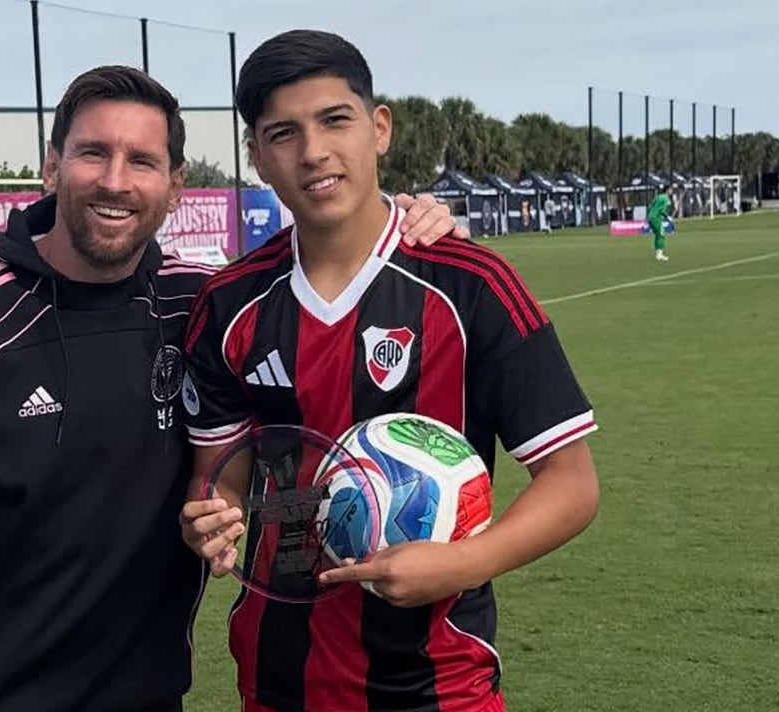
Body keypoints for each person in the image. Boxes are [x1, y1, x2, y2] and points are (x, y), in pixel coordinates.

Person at [0, 64, 467, 712]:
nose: (114, 181)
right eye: (92, 153)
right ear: (52, 166)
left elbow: (321, 262)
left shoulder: (203, 305)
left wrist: (405, 221)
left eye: (142, 161)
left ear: (175, 186)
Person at [179, 30, 600, 712]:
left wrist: (466, 562)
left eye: (334, 120)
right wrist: (212, 517)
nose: (313, 151)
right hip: (278, 678)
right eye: (282, 133)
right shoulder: (228, 304)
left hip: (438, 687)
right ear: (257, 157)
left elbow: (573, 485)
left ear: (379, 128)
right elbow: (222, 475)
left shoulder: (473, 287)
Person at [648, 184, 674, 261]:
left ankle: (658, 253)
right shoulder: (666, 198)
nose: (672, 191)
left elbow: (650, 206)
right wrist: (667, 217)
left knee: (658, 235)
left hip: (650, 217)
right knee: (661, 234)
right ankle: (660, 254)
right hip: (656, 218)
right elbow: (663, 211)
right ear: (667, 190)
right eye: (671, 189)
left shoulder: (658, 197)